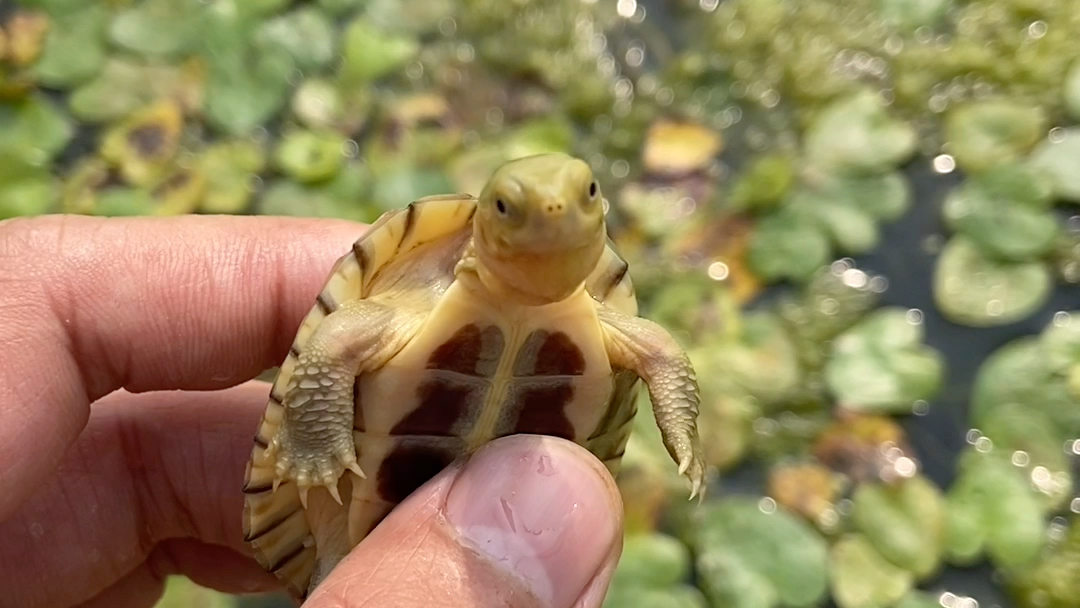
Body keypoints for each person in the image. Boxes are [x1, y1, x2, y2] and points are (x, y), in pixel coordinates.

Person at [0, 214, 624, 608]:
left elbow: (663, 361)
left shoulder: (608, 319)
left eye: (581, 198)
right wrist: (314, 437)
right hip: (342, 495)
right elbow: (330, 347)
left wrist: (680, 418)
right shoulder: (415, 291)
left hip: (370, 483)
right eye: (513, 208)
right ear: (488, 219)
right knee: (333, 559)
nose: (550, 217)